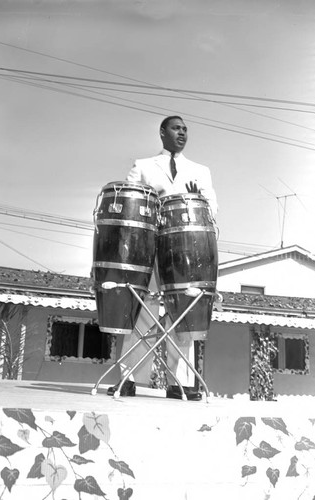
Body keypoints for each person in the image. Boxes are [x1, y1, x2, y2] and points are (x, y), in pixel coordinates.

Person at [107, 115, 218, 400]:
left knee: (182, 313)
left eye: (185, 130)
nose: (182, 133)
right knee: (140, 308)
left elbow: (213, 211)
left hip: (184, 252)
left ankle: (179, 384)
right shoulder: (143, 166)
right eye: (176, 128)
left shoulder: (200, 170)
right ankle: (128, 380)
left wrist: (198, 203)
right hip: (146, 247)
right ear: (162, 132)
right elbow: (130, 202)